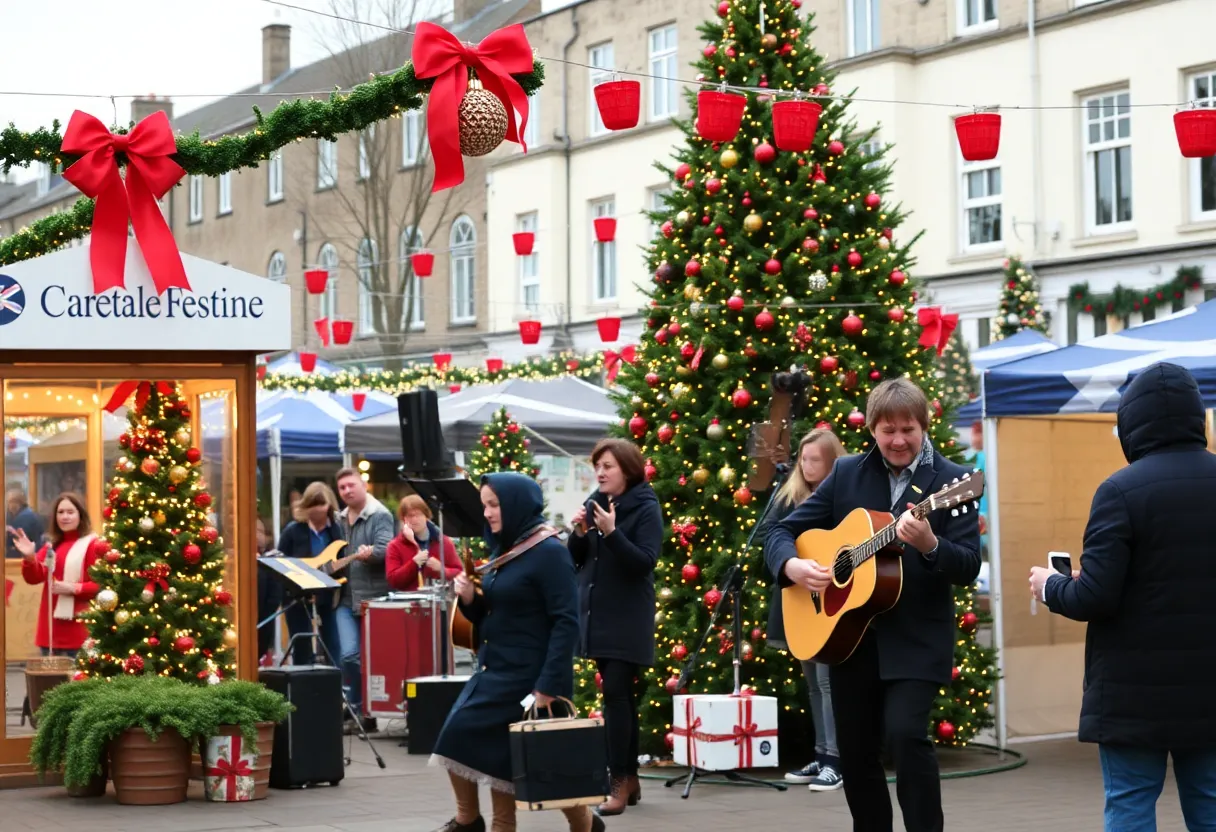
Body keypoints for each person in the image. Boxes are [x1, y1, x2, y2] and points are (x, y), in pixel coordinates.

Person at [766, 378, 981, 832]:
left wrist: (930, 544)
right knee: (857, 752)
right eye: (888, 431)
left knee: (905, 737)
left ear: (925, 426)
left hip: (917, 642)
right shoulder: (846, 474)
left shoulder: (953, 481)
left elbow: (966, 566)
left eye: (908, 430)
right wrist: (792, 567)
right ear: (872, 430)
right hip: (850, 643)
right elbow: (781, 532)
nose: (898, 440)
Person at [1028, 363, 1216, 832]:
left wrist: (1051, 586)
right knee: (1211, 807)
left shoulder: (1120, 491)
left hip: (1133, 693)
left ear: (1133, 422)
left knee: (1130, 806)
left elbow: (1095, 597)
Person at [431, 472, 603, 832]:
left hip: (530, 675)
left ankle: (574, 823)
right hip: (495, 669)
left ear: (515, 504)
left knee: (531, 760)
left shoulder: (549, 552)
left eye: (494, 505)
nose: (488, 513)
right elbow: (490, 612)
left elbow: (566, 622)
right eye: (485, 506)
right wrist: (469, 598)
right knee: (465, 740)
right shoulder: (505, 549)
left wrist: (549, 684)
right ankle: (471, 820)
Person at [568, 438, 663, 816]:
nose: (601, 473)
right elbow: (576, 560)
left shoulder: (645, 506)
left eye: (608, 466)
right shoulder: (597, 504)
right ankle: (632, 778)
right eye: (597, 466)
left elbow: (644, 561)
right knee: (621, 700)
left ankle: (618, 782)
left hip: (627, 617)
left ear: (627, 468)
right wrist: (578, 533)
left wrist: (610, 532)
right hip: (597, 616)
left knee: (617, 698)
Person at [761, 428, 847, 791]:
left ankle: (837, 760)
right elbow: (770, 535)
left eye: (815, 460)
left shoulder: (842, 494)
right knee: (812, 683)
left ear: (831, 463)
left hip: (831, 601)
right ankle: (821, 753)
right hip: (799, 600)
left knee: (829, 682)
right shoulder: (788, 496)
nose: (807, 466)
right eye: (803, 459)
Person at [335, 467, 395, 733]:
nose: (347, 491)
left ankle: (364, 712)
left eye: (351, 485)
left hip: (373, 599)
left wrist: (369, 554)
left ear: (363, 486)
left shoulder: (380, 515)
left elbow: (386, 551)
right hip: (344, 599)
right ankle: (359, 707)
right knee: (349, 654)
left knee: (373, 660)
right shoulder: (338, 519)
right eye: (342, 488)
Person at [10, 492, 106, 655]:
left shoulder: (93, 545)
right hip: (49, 633)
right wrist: (29, 557)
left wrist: (73, 588)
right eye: (60, 512)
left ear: (80, 515)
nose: (64, 517)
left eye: (70, 512)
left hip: (80, 633)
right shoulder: (51, 546)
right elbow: (34, 578)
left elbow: (101, 586)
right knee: (50, 682)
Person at [275, 482, 344, 667]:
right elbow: (281, 563)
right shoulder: (292, 530)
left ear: (329, 505)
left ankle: (334, 686)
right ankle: (301, 687)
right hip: (296, 596)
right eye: (312, 505)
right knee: (302, 644)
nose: (317, 510)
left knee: (332, 643)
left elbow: (341, 562)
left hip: (328, 596)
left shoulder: (336, 531)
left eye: (321, 504)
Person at [386, 494, 462, 590]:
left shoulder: (443, 542)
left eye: (418, 514)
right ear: (404, 519)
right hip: (409, 603)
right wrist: (414, 563)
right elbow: (393, 581)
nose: (414, 520)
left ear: (426, 516)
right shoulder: (395, 546)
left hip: (438, 602)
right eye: (410, 516)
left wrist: (442, 569)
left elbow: (460, 573)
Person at [5, 488, 44, 560]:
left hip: (26, 558)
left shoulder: (25, 517)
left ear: (20, 503)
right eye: (9, 502)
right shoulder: (12, 516)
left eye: (13, 502)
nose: (10, 505)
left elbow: (16, 541)